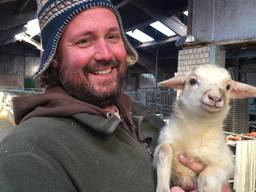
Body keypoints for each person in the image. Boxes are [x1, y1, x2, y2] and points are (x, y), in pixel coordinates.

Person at [0, 0, 231, 191]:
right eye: (84, 41)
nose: (105, 54)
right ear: (55, 58)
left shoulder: (146, 118)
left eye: (112, 37)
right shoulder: (30, 155)